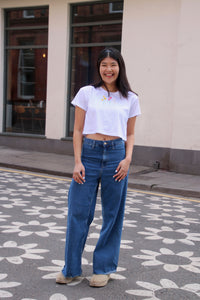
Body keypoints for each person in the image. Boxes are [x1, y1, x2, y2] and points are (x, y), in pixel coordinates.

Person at [56, 47, 141, 287]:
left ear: (119, 68)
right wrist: (77, 161)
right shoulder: (87, 93)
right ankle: (71, 268)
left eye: (113, 64)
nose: (108, 69)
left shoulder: (130, 98)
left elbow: (131, 134)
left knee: (113, 216)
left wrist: (127, 159)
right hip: (89, 156)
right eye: (104, 64)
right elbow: (77, 130)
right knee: (78, 213)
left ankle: (103, 269)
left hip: (116, 157)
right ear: (98, 68)